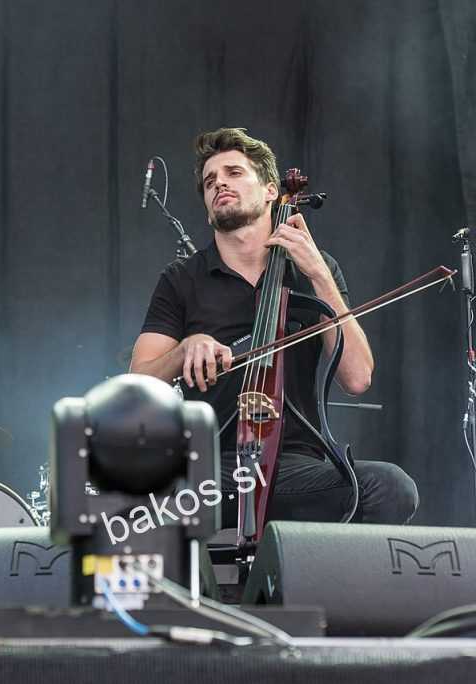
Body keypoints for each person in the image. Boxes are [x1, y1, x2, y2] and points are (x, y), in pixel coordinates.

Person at [130, 128, 418, 527]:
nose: (219, 184)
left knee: (390, 487)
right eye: (210, 181)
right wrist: (184, 349)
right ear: (207, 210)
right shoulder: (181, 279)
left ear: (270, 191)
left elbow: (357, 377)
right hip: (211, 468)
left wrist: (318, 274)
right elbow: (136, 385)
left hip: (292, 468)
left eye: (234, 173)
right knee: (129, 504)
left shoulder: (315, 270)